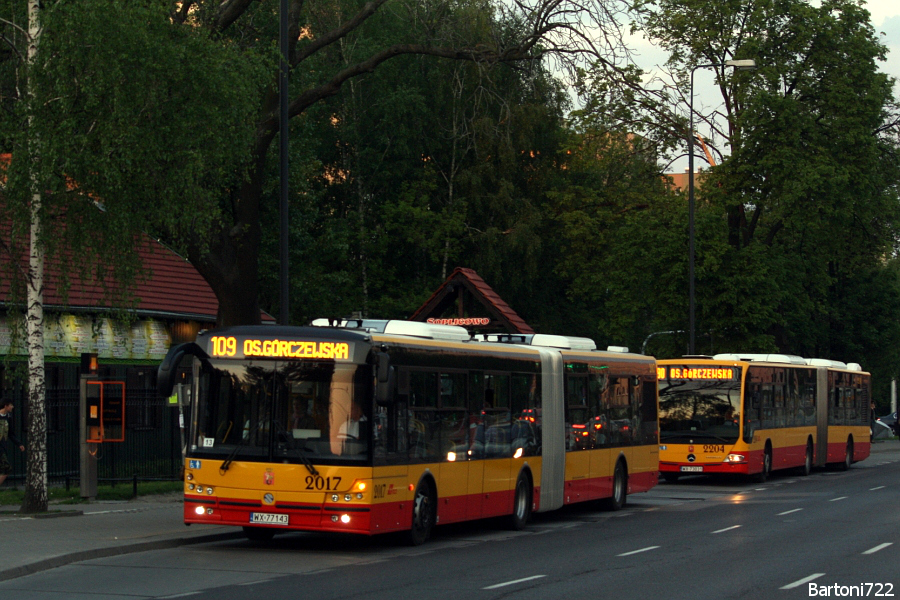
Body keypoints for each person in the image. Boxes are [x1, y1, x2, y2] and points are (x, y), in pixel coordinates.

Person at [0, 399, 25, 487]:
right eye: (11, 405)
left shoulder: (9, 417)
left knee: (6, 469)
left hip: (2, 447)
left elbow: (11, 433)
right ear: (6, 406)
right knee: (7, 468)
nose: (12, 407)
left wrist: (19, 444)